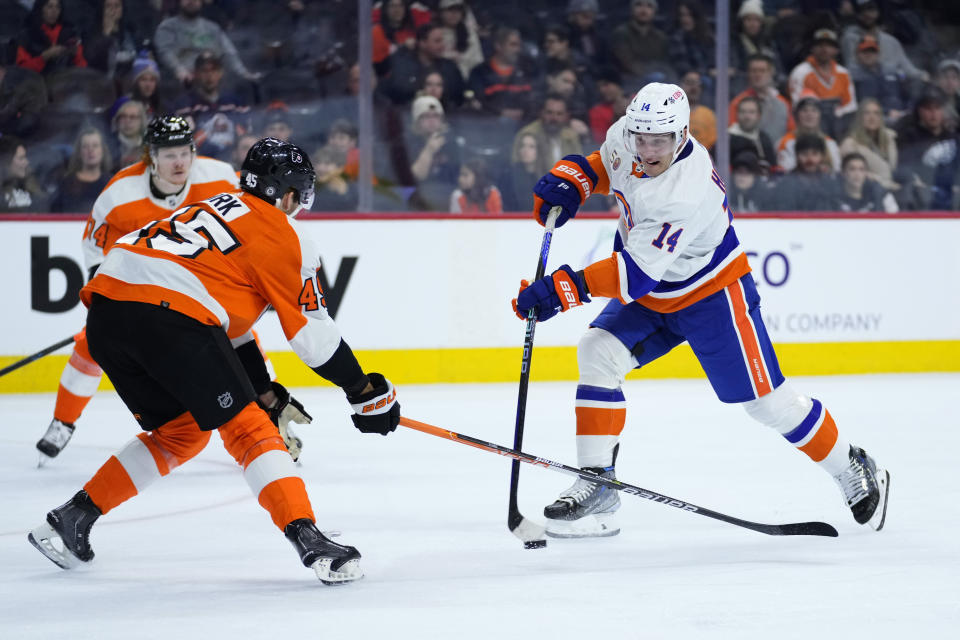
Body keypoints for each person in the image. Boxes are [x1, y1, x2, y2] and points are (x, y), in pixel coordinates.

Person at [512, 82, 889, 539]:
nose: (647, 150)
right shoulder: (628, 134)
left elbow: (634, 277)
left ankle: (851, 464)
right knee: (598, 351)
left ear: (683, 134)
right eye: (641, 138)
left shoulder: (685, 190)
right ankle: (599, 487)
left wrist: (560, 291)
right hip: (654, 288)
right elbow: (606, 166)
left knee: (768, 404)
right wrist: (575, 178)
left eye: (660, 141)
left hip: (711, 294)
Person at [28, 137, 401, 585]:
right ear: (287, 194)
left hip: (107, 314)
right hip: (171, 317)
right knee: (248, 429)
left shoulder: (213, 205)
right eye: (298, 195)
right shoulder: (285, 234)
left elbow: (227, 324)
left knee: (181, 432)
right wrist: (363, 391)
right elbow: (314, 339)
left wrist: (261, 386)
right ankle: (310, 540)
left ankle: (71, 520)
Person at [34, 116, 267, 463]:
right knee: (90, 344)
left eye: (185, 153)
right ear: (150, 157)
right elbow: (97, 255)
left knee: (242, 339)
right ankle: (62, 421)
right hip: (138, 289)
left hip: (199, 287)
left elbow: (253, 221)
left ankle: (272, 420)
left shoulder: (220, 178)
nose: (179, 163)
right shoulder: (118, 195)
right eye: (169, 154)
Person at [154, 0, 260, 87]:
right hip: (186, 81)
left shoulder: (212, 27)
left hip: (215, 79)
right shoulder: (167, 27)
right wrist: (179, 70)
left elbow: (229, 52)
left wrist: (244, 73)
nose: (191, 1)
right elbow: (165, 52)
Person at [173, 51, 252, 161]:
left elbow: (248, 135)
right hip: (200, 161)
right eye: (204, 71)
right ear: (196, 73)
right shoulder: (184, 104)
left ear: (221, 73)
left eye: (214, 70)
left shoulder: (236, 103)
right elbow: (181, 140)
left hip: (235, 161)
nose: (209, 75)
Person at [788, 29, 858, 135]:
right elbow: (797, 104)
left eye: (829, 46)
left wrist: (838, 114)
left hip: (839, 121)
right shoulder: (800, 72)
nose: (824, 49)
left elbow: (851, 105)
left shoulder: (843, 73)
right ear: (812, 49)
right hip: (811, 122)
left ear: (836, 50)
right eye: (820, 45)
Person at [511, 94, 584, 177]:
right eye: (549, 112)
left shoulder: (571, 136)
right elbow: (517, 171)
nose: (554, 118)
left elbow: (579, 168)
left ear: (566, 116)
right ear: (541, 113)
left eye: (559, 114)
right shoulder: (527, 135)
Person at [729, 54, 794, 145]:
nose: (758, 75)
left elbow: (791, 133)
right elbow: (731, 134)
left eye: (762, 71)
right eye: (754, 71)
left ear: (771, 73)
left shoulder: (783, 103)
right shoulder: (737, 103)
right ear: (748, 73)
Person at [839, 97, 899, 191]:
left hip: (892, 188)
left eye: (876, 113)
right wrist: (889, 185)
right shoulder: (850, 145)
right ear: (859, 117)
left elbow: (895, 169)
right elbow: (855, 174)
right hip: (869, 191)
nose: (872, 117)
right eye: (867, 113)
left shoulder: (890, 138)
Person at [15, 0, 88, 75]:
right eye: (49, 7)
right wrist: (44, 57)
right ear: (40, 9)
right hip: (37, 83)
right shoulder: (27, 35)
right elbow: (21, 71)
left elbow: (82, 67)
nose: (54, 11)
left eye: (58, 7)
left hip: (65, 82)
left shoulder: (70, 34)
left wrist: (75, 55)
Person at [50, 127, 112, 213]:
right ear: (79, 152)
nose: (90, 150)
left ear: (103, 150)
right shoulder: (66, 183)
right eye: (85, 146)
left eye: (95, 145)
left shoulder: (112, 184)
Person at [777, 93, 841, 172]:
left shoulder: (830, 143)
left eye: (814, 110)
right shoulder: (785, 142)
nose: (809, 114)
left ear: (820, 115)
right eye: (804, 110)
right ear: (797, 115)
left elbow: (836, 170)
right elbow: (785, 171)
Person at [833, 152, 898, 213]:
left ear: (866, 173)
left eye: (861, 169)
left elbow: (896, 220)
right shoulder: (833, 198)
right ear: (843, 173)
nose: (857, 174)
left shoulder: (880, 194)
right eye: (852, 169)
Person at [729, 95, 776, 172]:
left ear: (759, 115)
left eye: (751, 112)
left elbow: (772, 167)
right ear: (736, 114)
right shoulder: (726, 139)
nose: (747, 116)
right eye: (743, 112)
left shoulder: (764, 138)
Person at [0, 135, 45, 213]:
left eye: (25, 157)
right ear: (5, 161)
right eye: (21, 158)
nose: (27, 162)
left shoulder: (30, 187)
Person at [106, 96, 148, 169]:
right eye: (123, 116)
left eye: (132, 117)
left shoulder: (149, 145)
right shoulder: (107, 145)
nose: (127, 121)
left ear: (141, 121)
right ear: (117, 120)